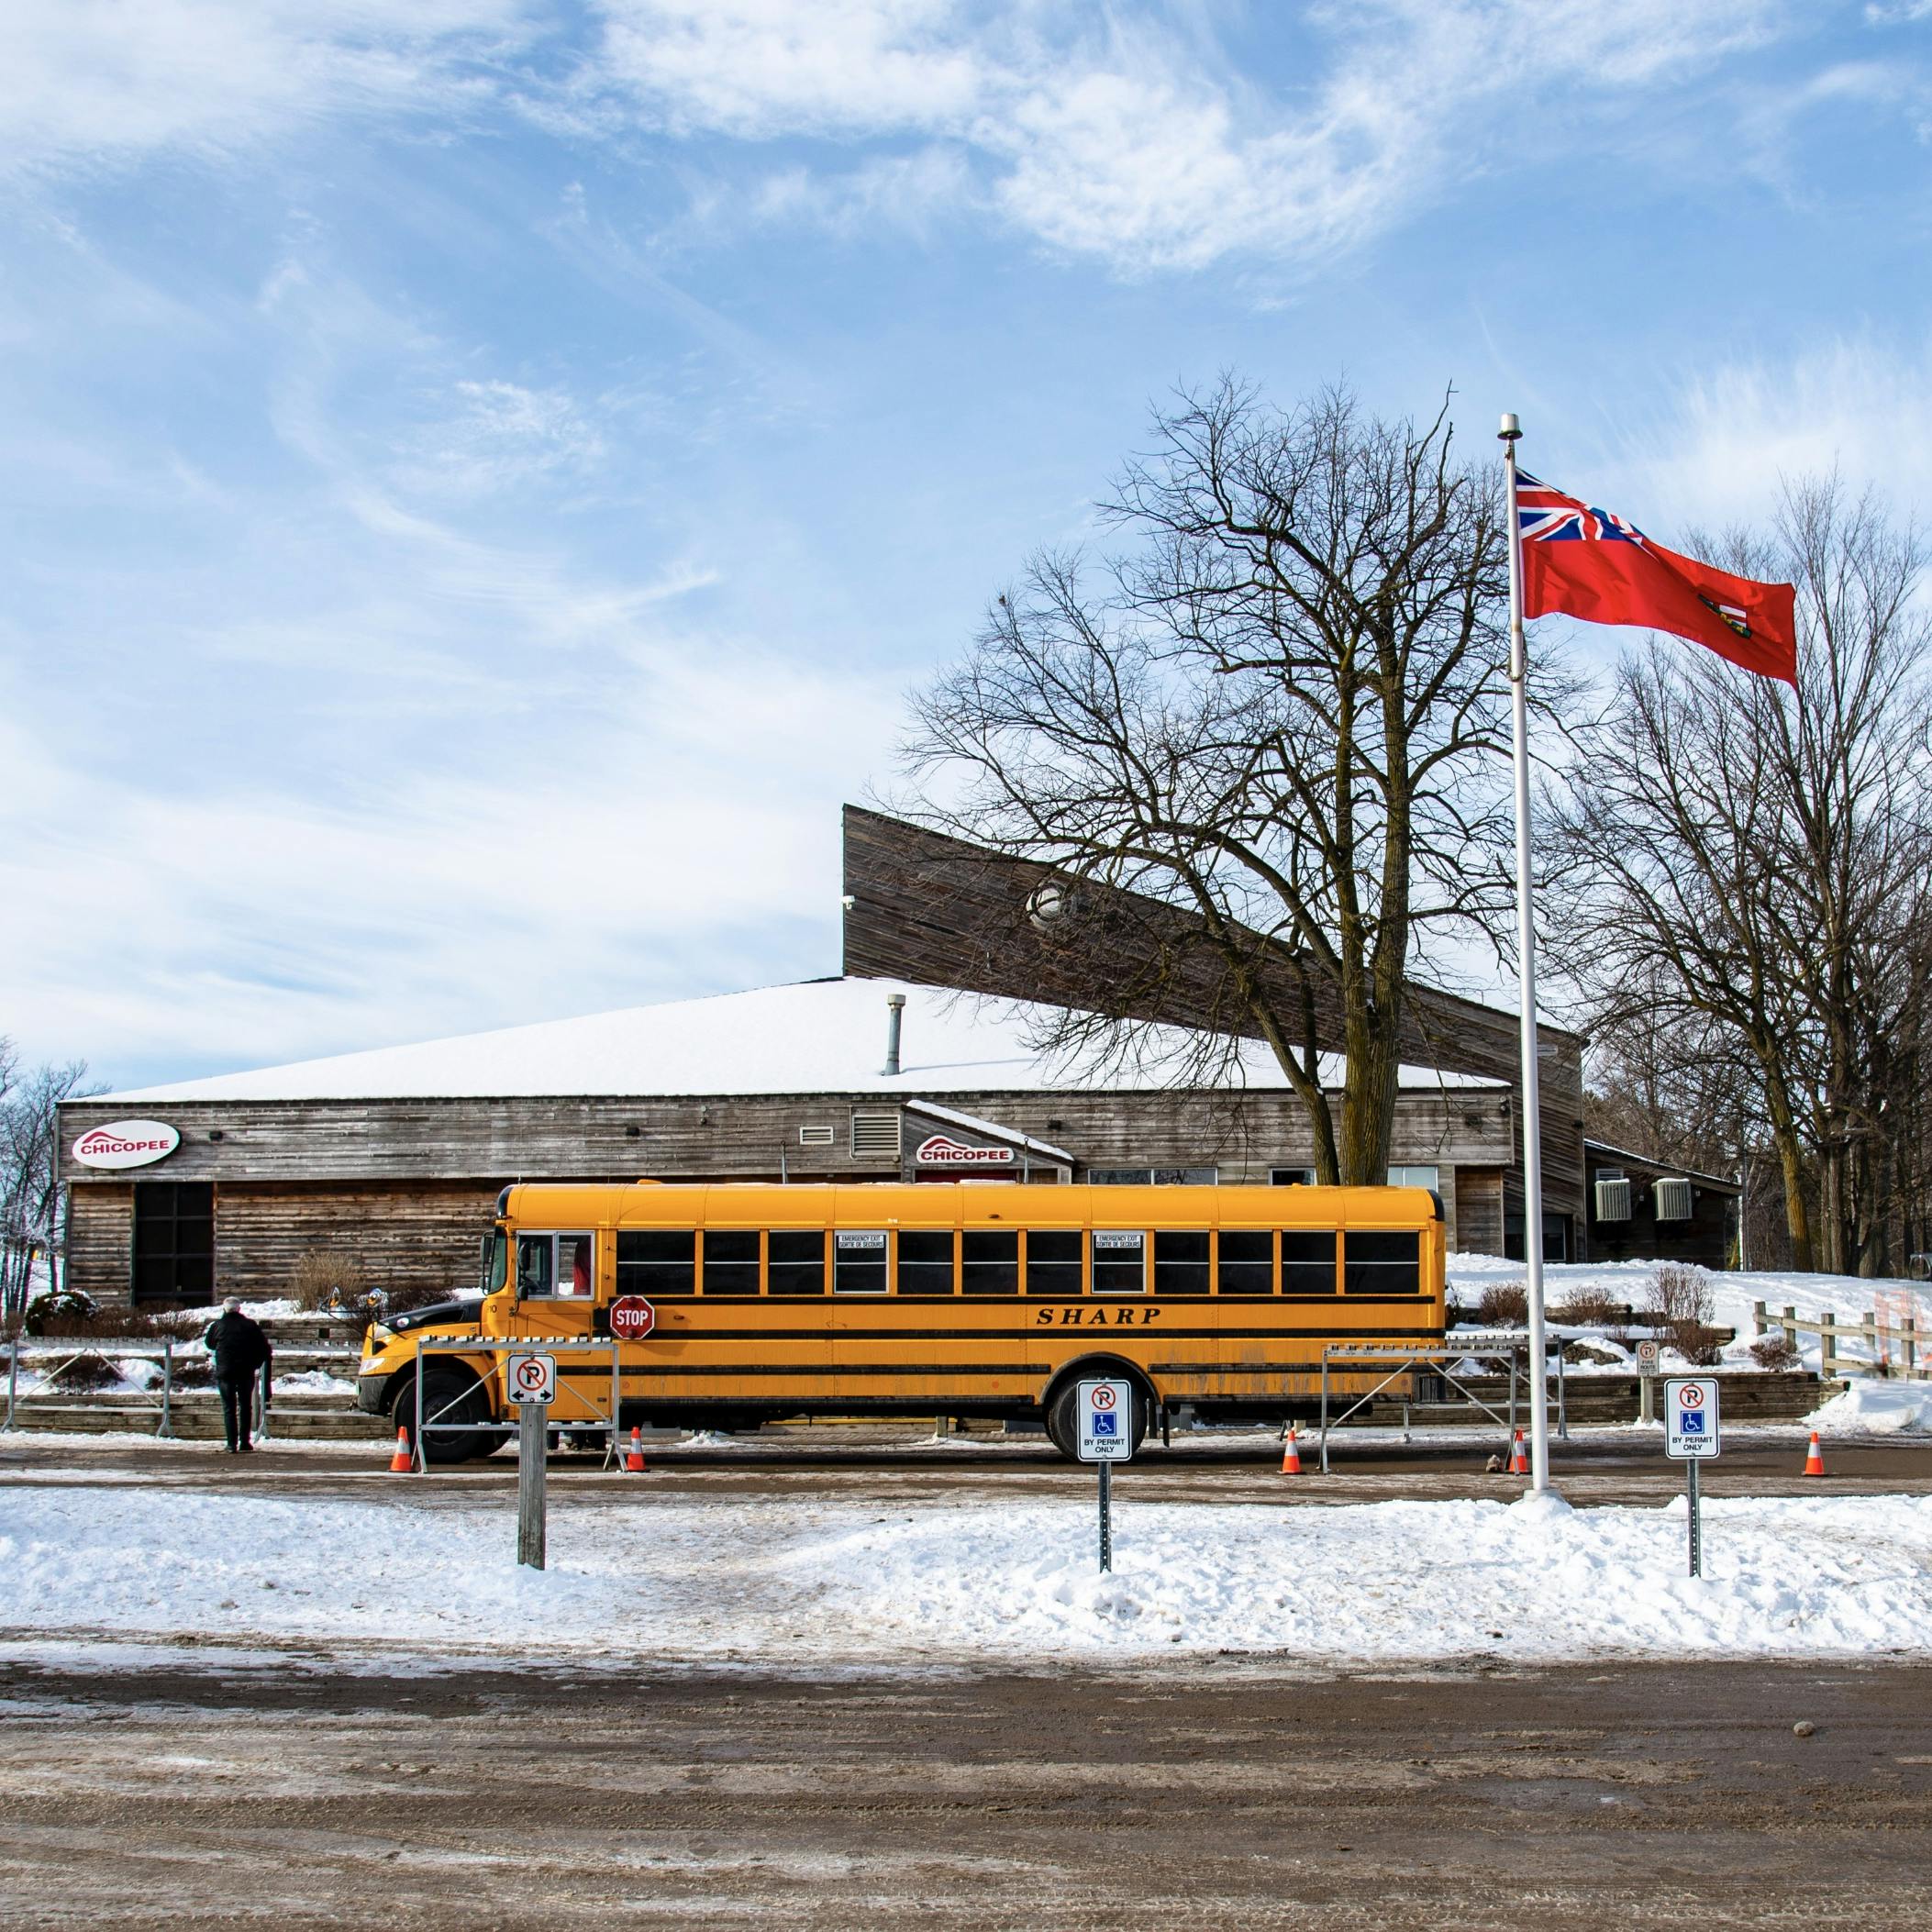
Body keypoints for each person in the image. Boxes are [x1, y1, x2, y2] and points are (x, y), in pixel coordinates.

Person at [203, 1297, 272, 1453]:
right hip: (245, 1370)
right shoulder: (250, 1325)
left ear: (224, 1309)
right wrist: (255, 1363)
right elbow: (263, 1347)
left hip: (225, 1371)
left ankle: (231, 1443)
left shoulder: (218, 1325)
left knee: (229, 1408)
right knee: (245, 1406)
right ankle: (245, 1442)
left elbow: (209, 1344)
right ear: (239, 1309)